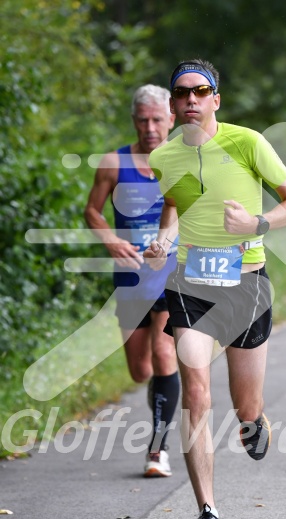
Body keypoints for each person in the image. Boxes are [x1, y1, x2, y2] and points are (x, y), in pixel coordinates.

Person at [144, 60, 286, 519]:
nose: (191, 99)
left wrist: (255, 224)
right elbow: (175, 208)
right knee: (195, 384)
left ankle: (253, 421)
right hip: (190, 285)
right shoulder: (165, 158)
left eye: (201, 91)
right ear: (174, 106)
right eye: (182, 93)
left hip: (246, 285)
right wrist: (161, 242)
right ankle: (207, 514)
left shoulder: (248, 142)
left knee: (244, 405)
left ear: (217, 98)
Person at [84, 84, 180, 478]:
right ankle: (158, 395)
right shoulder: (113, 163)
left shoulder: (185, 163)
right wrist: (110, 240)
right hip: (129, 277)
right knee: (140, 370)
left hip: (171, 273)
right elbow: (92, 210)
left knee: (164, 352)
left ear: (172, 119)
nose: (151, 127)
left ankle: (158, 450)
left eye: (158, 119)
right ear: (134, 121)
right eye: (143, 120)